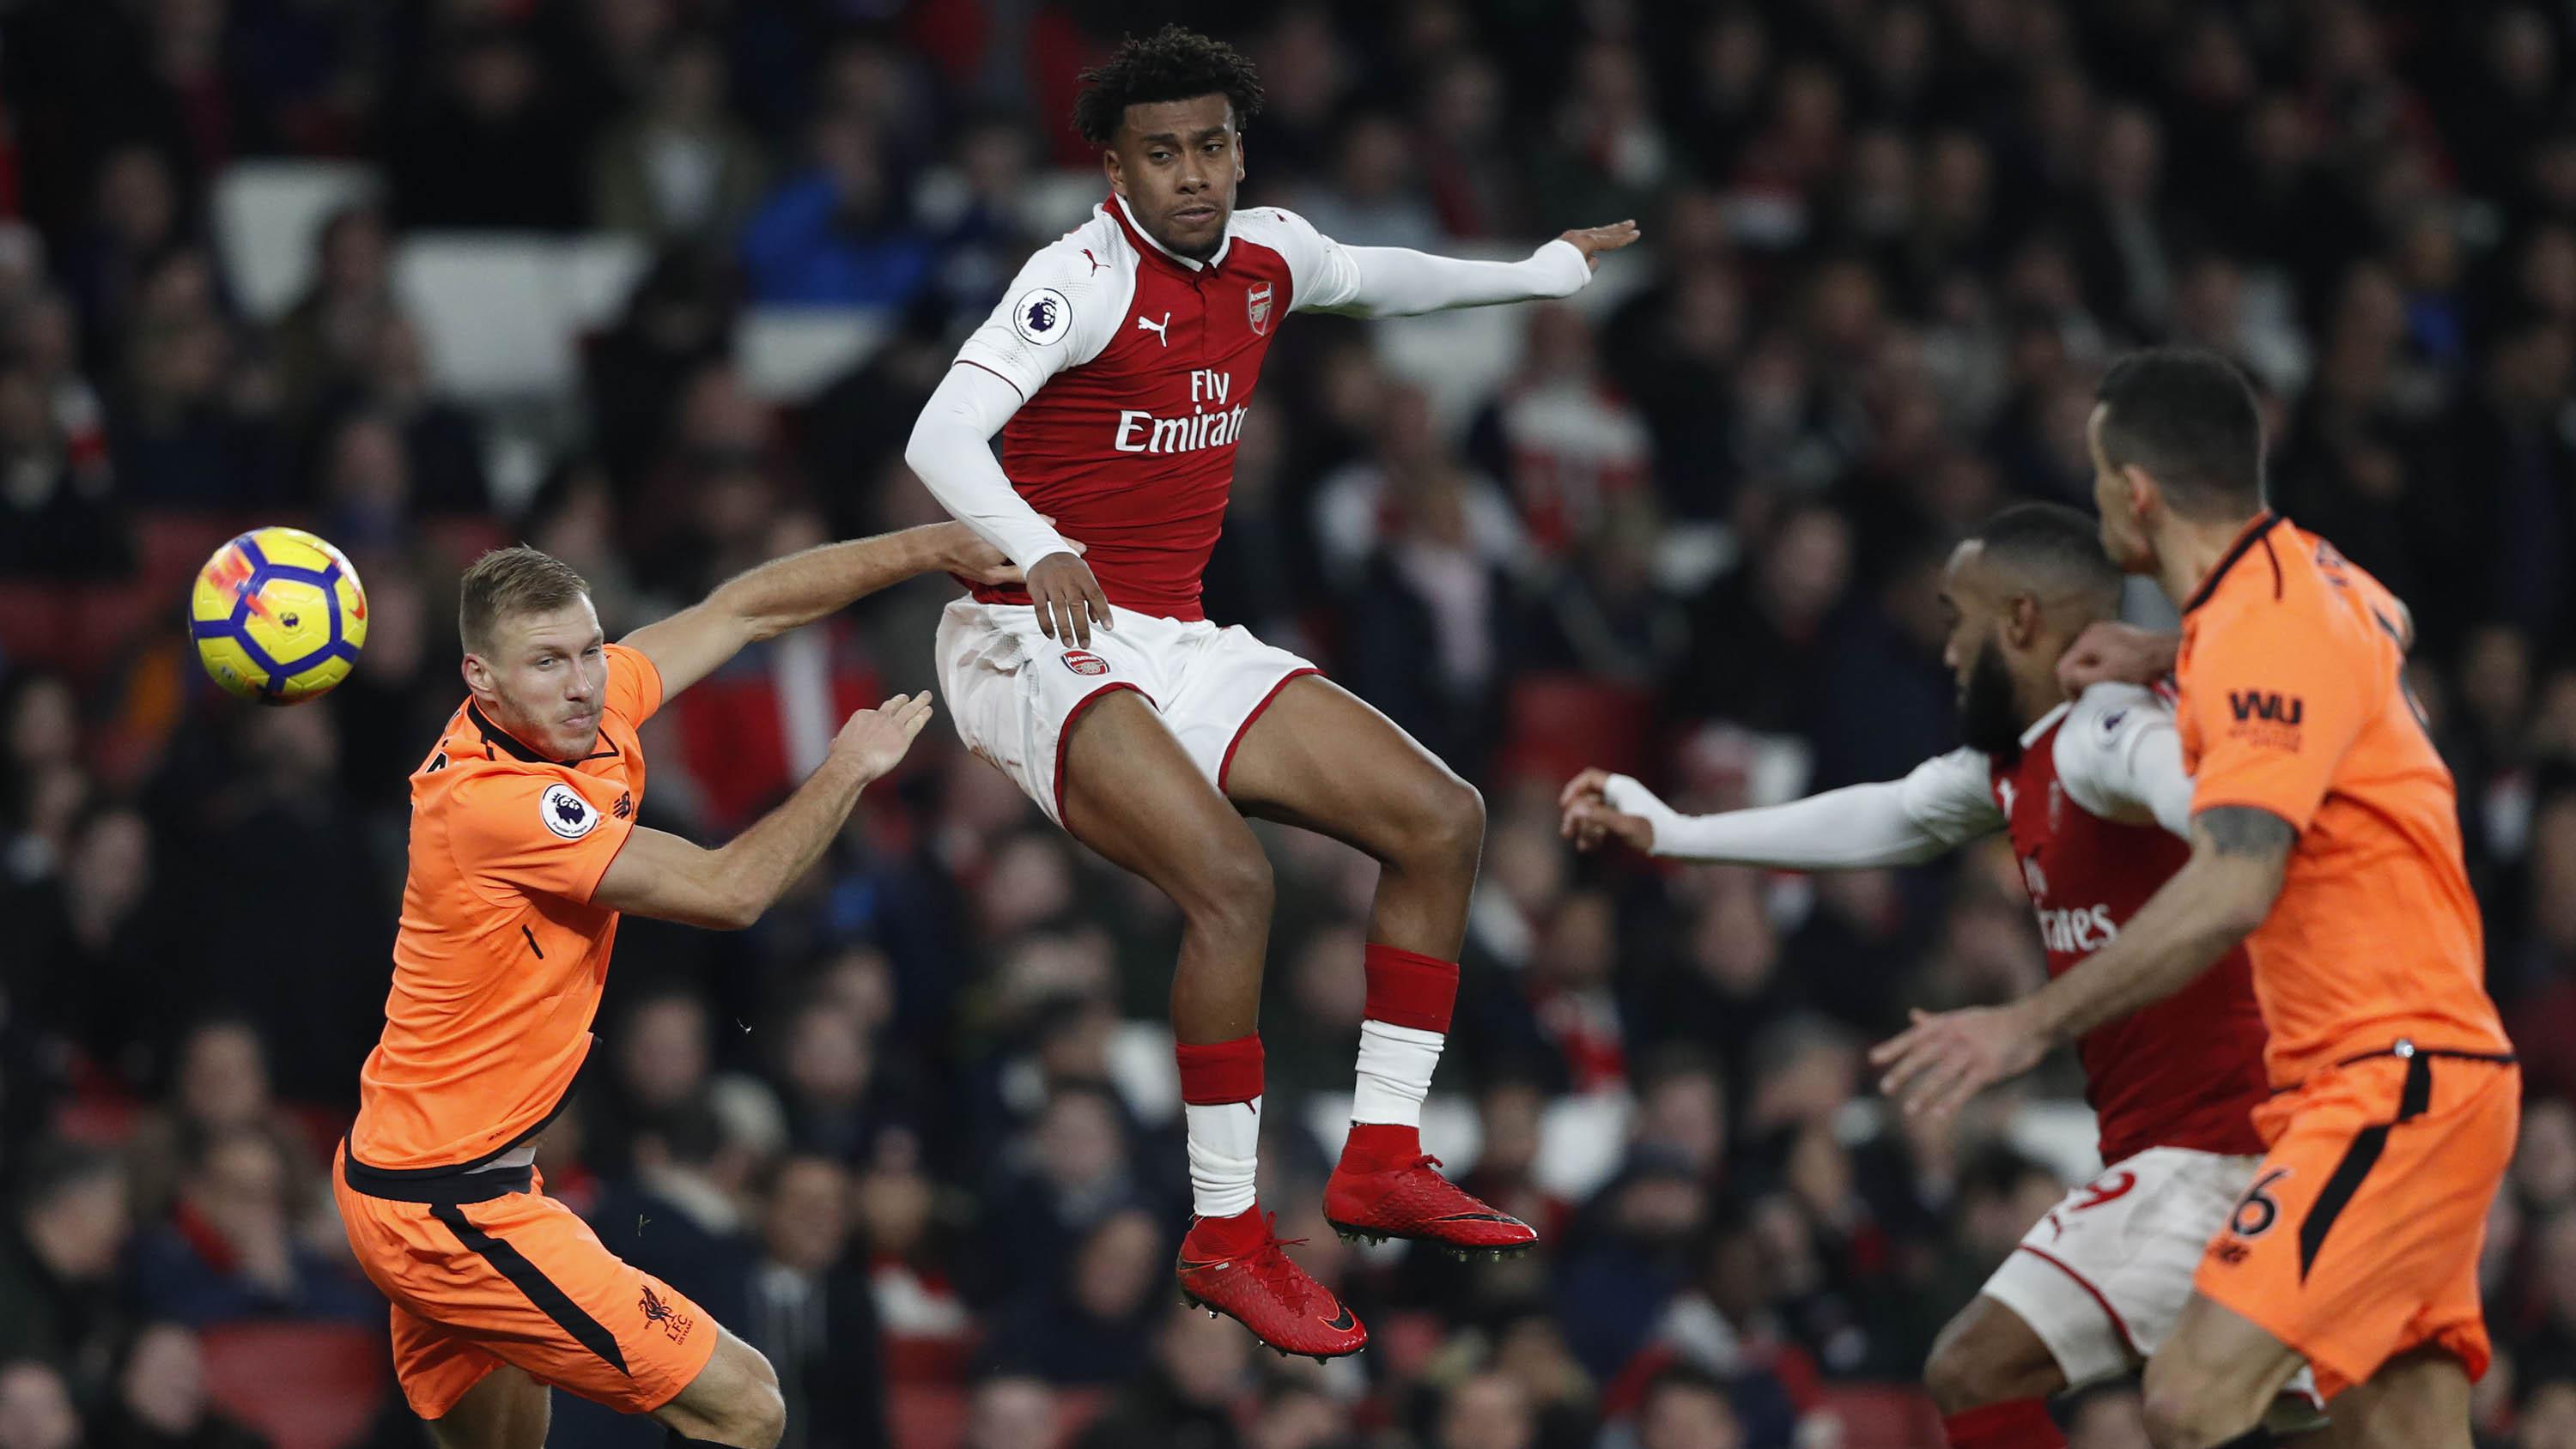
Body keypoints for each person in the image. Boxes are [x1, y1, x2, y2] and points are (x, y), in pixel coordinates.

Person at [902, 24, 1639, 1361]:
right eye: (1160, 152)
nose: (1191, 174)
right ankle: (1228, 1235)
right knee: (1231, 884)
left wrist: (1536, 274)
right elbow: (939, 431)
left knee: (1444, 817)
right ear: (1115, 166)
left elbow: (1377, 277)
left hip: (1173, 635)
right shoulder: (1075, 277)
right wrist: (1037, 542)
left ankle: (1380, 1154)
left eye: (1210, 146)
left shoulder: (1269, 256)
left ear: (1240, 149)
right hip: (1030, 632)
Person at [1874, 349, 2518, 1448]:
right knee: (2402, 1431)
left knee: (2184, 1396)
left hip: (2392, 1078)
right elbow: (2393, 618)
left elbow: (2231, 884)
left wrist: (2026, 1023)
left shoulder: (2262, 627)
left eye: (2094, 474)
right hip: (2408, 1078)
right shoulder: (2301, 581)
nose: (2092, 498)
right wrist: (2175, 647)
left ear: (2137, 493)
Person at [1563, 503, 2298, 1449]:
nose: (1947, 651)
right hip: (2184, 1148)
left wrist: (2030, 1017)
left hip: (2227, 1148)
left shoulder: (2112, 730)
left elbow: (2222, 830)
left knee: (1983, 1370)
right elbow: (1891, 812)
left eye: (1960, 620)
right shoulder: (2021, 761)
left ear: (2022, 623)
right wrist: (1678, 833)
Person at [331, 521, 1012, 1447]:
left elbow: (743, 608)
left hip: (428, 1178)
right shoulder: (495, 805)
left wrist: (930, 544)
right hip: (448, 1206)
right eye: (546, 663)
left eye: (587, 651)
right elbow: (731, 890)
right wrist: (848, 766)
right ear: (480, 679)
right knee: (749, 1403)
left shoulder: (584, 708)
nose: (580, 684)